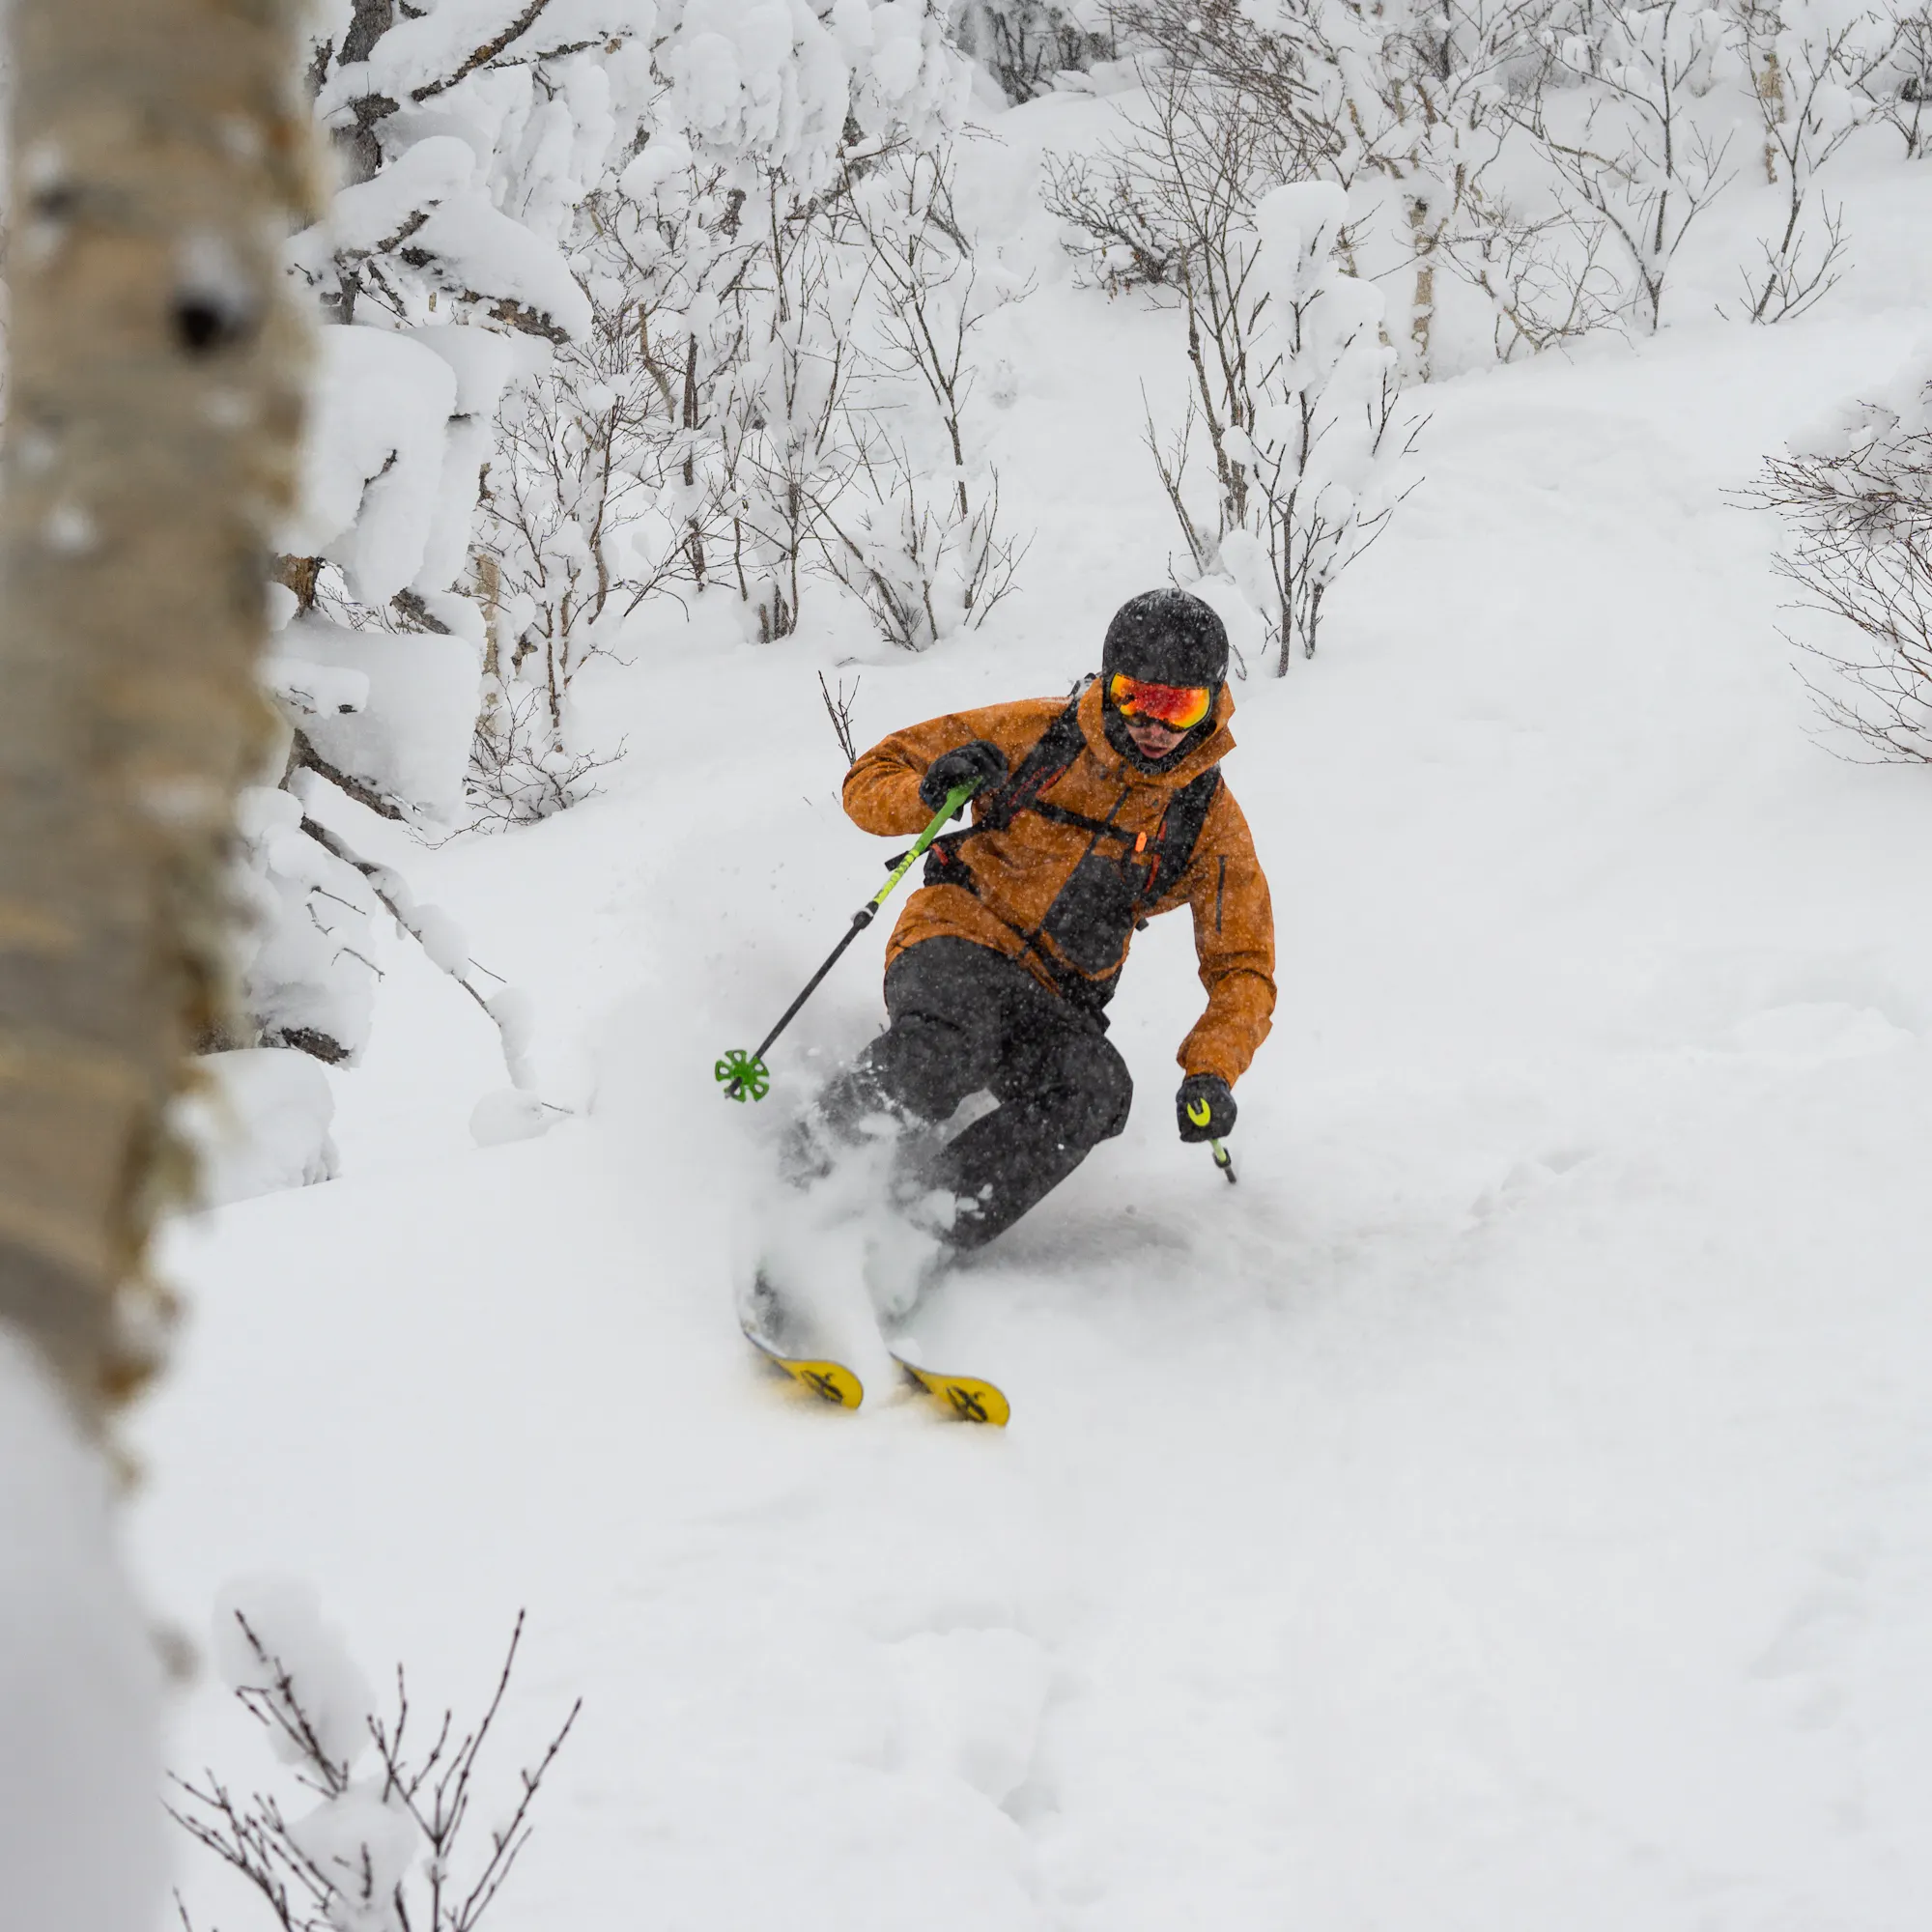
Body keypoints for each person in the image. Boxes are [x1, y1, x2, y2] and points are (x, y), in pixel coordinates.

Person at [793, 587, 1276, 1255]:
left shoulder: (1204, 821)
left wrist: (1212, 1070)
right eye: (1138, 698)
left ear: (1212, 704)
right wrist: (930, 787)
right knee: (950, 1039)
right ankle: (800, 1176)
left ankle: (914, 1237)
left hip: (1056, 995)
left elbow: (1243, 964)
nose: (1156, 726)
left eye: (1180, 706)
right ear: (1108, 687)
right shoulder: (1039, 735)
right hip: (957, 932)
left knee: (1096, 1090)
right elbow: (871, 778)